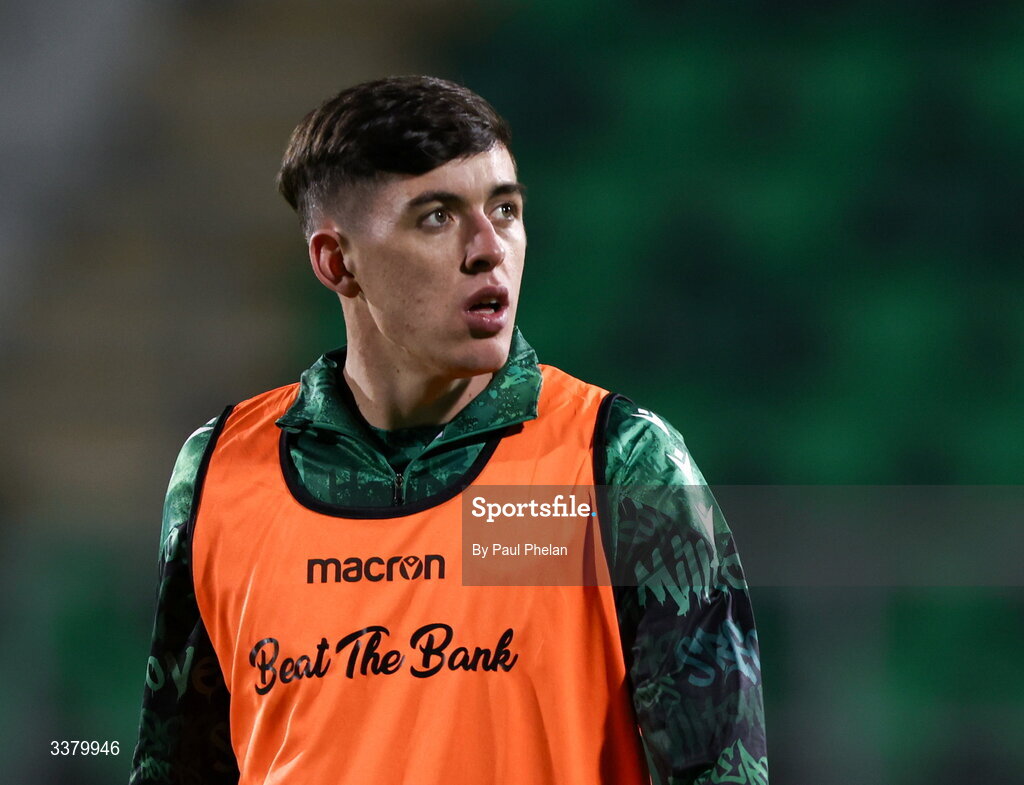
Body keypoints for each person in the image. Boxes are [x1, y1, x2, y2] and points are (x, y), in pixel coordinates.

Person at [128, 75, 767, 785]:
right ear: (337, 262)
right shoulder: (221, 472)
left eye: (506, 209)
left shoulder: (613, 460)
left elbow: (721, 770)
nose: (488, 247)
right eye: (436, 216)